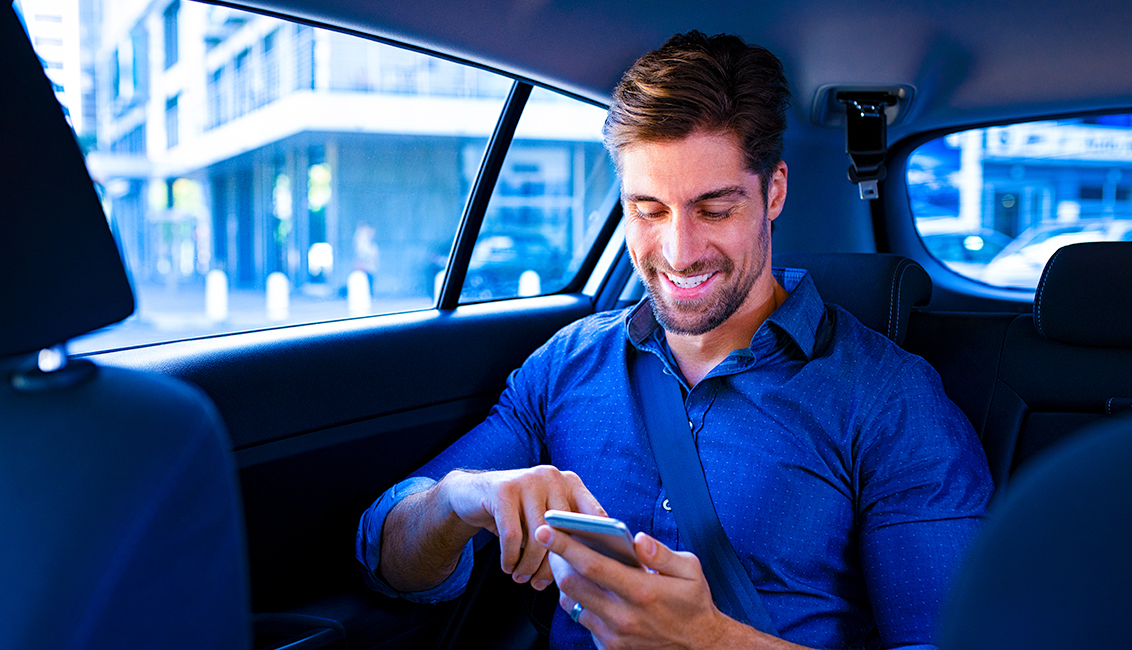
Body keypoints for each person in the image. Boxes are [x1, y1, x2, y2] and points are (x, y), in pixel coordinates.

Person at [357, 31, 991, 650]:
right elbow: (387, 558)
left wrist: (710, 640)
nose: (679, 253)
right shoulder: (566, 365)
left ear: (773, 192)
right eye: (649, 210)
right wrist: (461, 496)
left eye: (713, 209)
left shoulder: (890, 398)